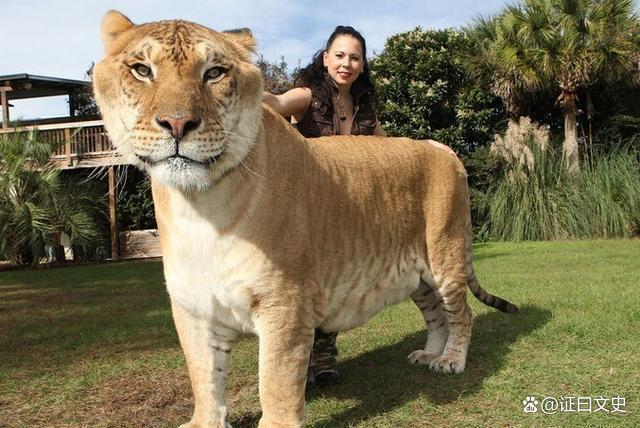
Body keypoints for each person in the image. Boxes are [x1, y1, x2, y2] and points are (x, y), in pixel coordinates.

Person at [263, 25, 383, 389]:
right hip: (304, 208)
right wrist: (251, 92)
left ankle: (324, 356)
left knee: (333, 285)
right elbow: (277, 105)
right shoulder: (307, 95)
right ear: (326, 58)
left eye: (355, 57)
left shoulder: (364, 106)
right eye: (340, 55)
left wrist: (427, 146)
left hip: (345, 211)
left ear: (362, 64)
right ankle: (298, 362)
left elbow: (390, 146)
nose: (347, 63)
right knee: (301, 287)